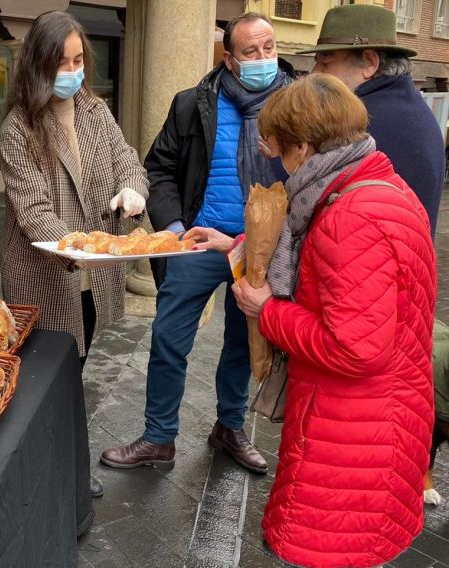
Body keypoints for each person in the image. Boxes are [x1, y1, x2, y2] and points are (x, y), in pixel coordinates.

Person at [186, 73, 436, 568]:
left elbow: (354, 348)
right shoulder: (381, 185)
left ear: (305, 146)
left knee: (324, 550)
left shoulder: (350, 217)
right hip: (380, 422)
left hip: (350, 439)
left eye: (280, 151)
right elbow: (336, 284)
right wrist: (233, 244)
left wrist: (267, 311)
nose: (279, 164)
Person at [100, 13, 292, 475]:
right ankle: (159, 437)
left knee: (243, 345)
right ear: (229, 58)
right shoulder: (192, 104)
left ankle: (230, 427)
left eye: (269, 48)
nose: (264, 59)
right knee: (168, 340)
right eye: (251, 52)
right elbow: (160, 166)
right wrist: (174, 223)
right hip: (200, 242)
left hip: (257, 250)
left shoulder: (295, 107)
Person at [0, 11, 148, 497]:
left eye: (79, 59)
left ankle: (64, 467)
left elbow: (127, 157)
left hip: (90, 278)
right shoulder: (19, 127)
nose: (72, 71)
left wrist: (131, 188)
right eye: (60, 62)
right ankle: (52, 474)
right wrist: (86, 250)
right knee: (45, 384)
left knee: (74, 370)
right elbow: (34, 212)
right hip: (46, 277)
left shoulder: (94, 111)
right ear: (37, 65)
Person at [298, 3, 445, 239]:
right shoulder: (411, 108)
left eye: (326, 62)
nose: (315, 71)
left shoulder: (362, 120)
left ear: (369, 62)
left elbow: (303, 191)